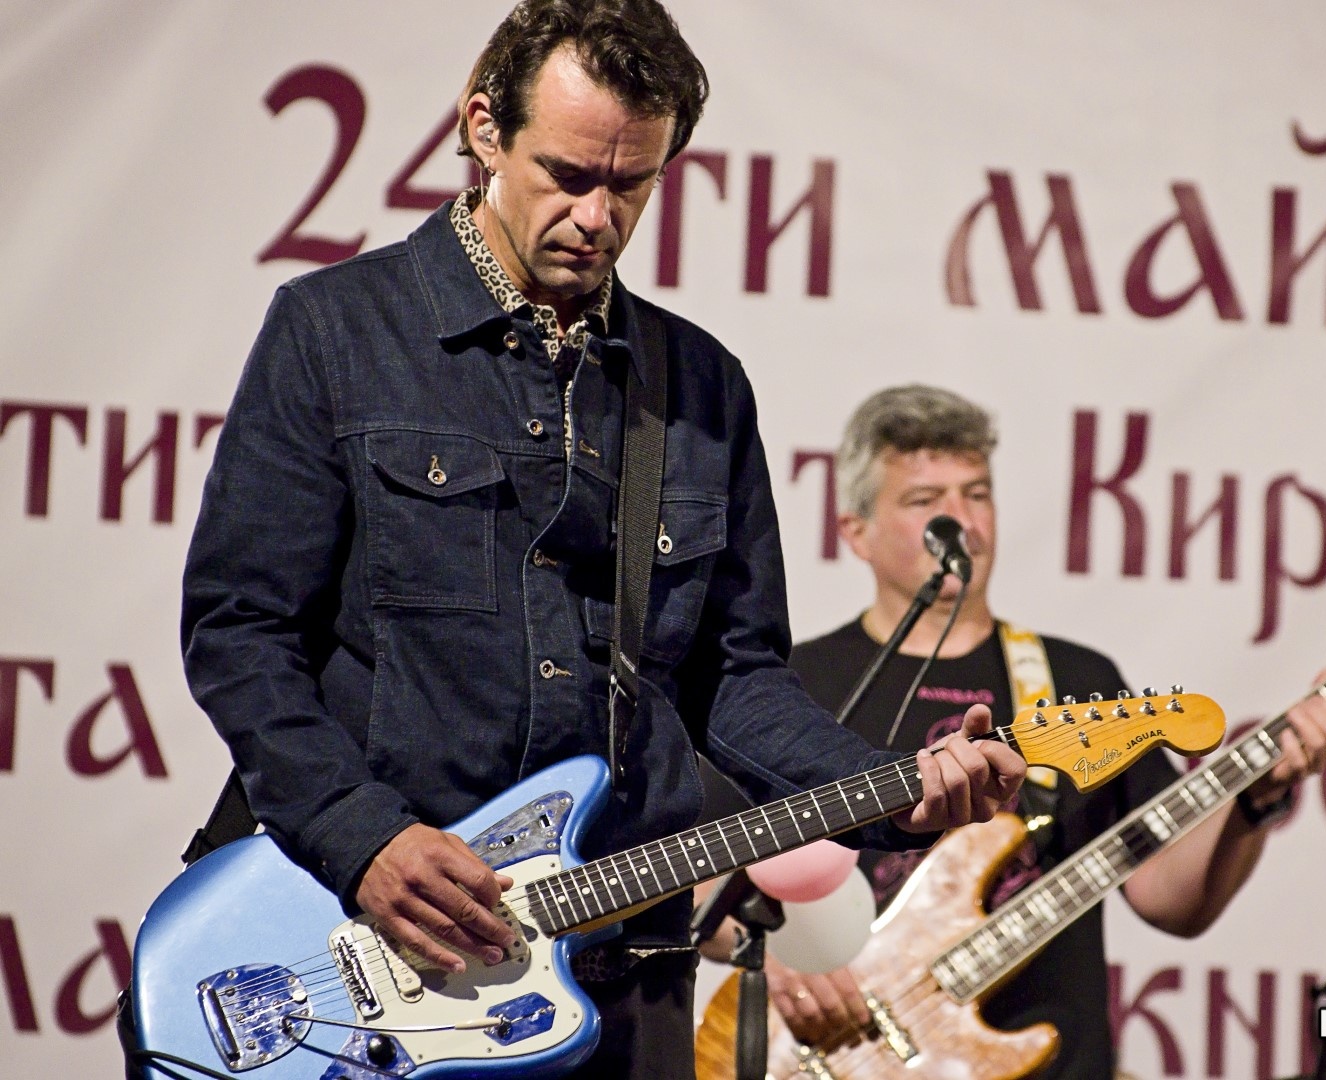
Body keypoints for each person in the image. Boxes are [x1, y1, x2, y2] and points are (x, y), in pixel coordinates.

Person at [176, 7, 1023, 1077]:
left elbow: (735, 678)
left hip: (619, 975)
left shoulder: (700, 386)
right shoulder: (337, 329)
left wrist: (898, 785)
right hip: (368, 949)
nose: (596, 216)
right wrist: (362, 836)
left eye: (631, 184)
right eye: (567, 174)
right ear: (484, 128)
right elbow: (239, 631)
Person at [702, 385, 1326, 1079]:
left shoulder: (1076, 680)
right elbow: (695, 882)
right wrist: (775, 960)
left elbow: (1170, 902)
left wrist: (1255, 799)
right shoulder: (793, 687)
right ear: (854, 531)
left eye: (977, 494)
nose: (961, 521)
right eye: (925, 500)